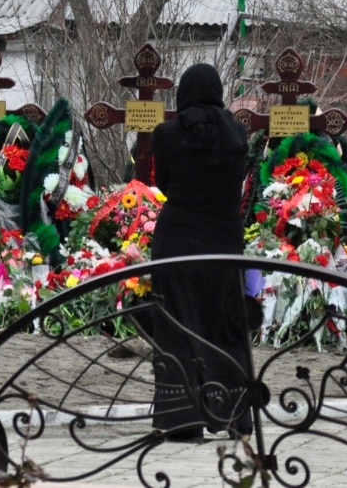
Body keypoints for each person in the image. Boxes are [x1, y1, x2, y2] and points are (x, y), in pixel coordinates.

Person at [148, 63, 253, 443]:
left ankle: (182, 418)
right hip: (225, 241)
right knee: (225, 326)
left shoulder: (167, 134)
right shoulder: (238, 132)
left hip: (178, 241)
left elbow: (164, 183)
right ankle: (233, 414)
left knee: (178, 325)